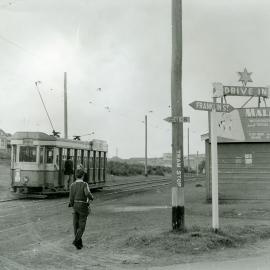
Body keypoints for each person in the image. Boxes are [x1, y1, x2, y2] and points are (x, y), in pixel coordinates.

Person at [69, 167, 94, 249]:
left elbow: (71, 198)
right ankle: (76, 241)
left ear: (76, 176)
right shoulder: (84, 184)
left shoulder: (72, 185)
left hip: (75, 206)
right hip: (83, 206)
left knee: (75, 225)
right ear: (83, 176)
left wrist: (72, 204)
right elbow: (87, 193)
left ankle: (79, 245)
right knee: (82, 225)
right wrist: (91, 197)